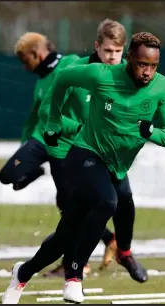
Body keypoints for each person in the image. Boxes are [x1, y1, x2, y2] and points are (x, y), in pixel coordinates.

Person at [1, 32, 165, 304]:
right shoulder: (101, 75)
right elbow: (62, 79)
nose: (148, 72)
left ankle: (22, 273)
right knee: (108, 202)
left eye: (153, 66)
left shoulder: (162, 87)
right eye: (143, 64)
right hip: (85, 153)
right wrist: (52, 123)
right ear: (129, 58)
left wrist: (150, 130)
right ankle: (74, 276)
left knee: (67, 233)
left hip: (117, 165)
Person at [0, 33, 91, 276]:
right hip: (41, 142)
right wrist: (23, 147)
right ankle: (34, 170)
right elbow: (32, 117)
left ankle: (74, 263)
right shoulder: (41, 81)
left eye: (24, 60)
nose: (23, 66)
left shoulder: (69, 63)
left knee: (69, 206)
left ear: (36, 54)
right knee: (8, 174)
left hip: (66, 145)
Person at [41, 19, 128, 278]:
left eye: (118, 52)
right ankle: (73, 264)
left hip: (111, 155)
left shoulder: (128, 75)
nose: (112, 57)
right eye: (108, 51)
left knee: (111, 202)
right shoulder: (74, 70)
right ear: (97, 46)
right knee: (80, 207)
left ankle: (110, 251)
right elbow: (48, 110)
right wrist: (78, 128)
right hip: (76, 152)